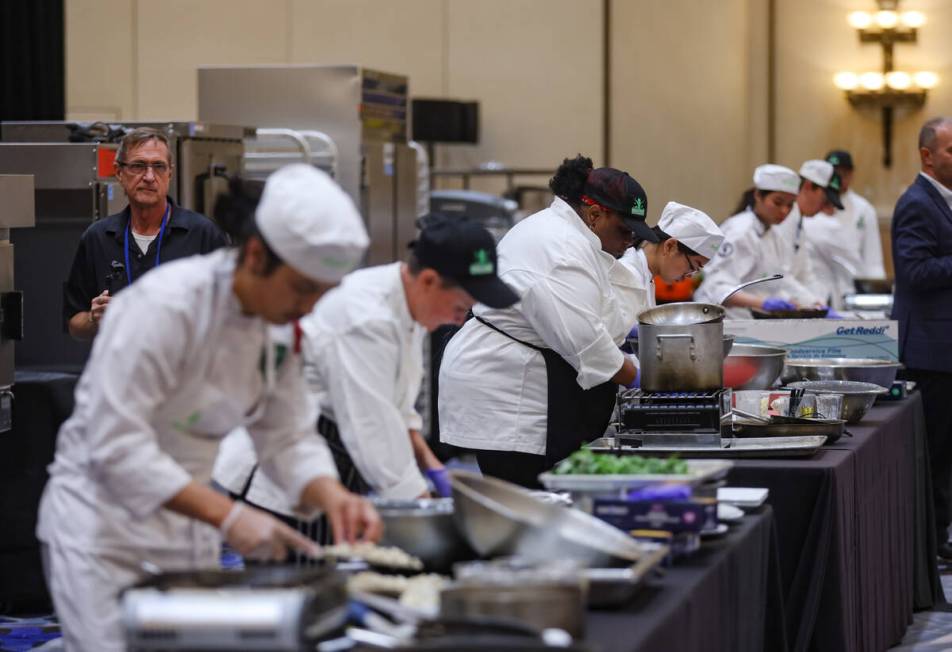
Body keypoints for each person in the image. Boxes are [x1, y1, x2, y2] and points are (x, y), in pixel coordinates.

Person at [36, 165, 382, 651]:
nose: (307, 309)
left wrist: (330, 495)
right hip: (103, 533)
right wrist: (230, 516)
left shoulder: (279, 329)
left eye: (320, 296)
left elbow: (286, 434)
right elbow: (115, 447)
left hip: (187, 529)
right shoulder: (163, 309)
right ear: (257, 256)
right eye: (302, 290)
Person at [214, 214, 518, 523]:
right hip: (282, 476)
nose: (458, 320)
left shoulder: (405, 302)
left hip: (328, 465)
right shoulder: (366, 320)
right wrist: (430, 516)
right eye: (459, 308)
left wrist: (434, 469)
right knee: (308, 570)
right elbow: (374, 431)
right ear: (428, 281)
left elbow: (395, 409)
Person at [437, 155, 657, 488]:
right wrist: (646, 378)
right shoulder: (561, 247)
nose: (631, 242)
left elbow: (600, 311)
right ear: (596, 214)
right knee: (528, 500)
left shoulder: (576, 237)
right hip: (511, 393)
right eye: (626, 231)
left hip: (530, 381)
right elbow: (586, 342)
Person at [64, 127, 227, 340]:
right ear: (119, 173)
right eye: (138, 166)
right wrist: (94, 319)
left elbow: (235, 314)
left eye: (158, 166)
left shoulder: (204, 234)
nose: (149, 177)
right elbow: (74, 323)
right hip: (122, 368)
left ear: (170, 173)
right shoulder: (97, 238)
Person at [892, 116, 952, 559]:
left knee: (947, 457)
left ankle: (939, 539)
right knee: (933, 456)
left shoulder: (942, 201)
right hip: (931, 355)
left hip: (944, 351)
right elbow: (914, 273)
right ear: (927, 156)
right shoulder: (917, 202)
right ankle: (927, 549)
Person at [695, 164, 809, 317]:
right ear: (758, 196)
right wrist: (764, 303)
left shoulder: (774, 234)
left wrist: (811, 302)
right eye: (777, 202)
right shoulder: (740, 231)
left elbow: (781, 279)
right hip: (723, 321)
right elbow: (718, 287)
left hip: (751, 321)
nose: (784, 211)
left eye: (790, 205)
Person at [620, 201, 725, 311]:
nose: (688, 276)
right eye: (692, 267)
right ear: (670, 246)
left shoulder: (645, 275)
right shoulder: (628, 276)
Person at [774, 159, 844, 309]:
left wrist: (818, 303)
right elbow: (779, 275)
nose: (825, 207)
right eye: (825, 199)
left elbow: (806, 273)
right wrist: (811, 302)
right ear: (807, 186)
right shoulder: (784, 219)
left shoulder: (799, 222)